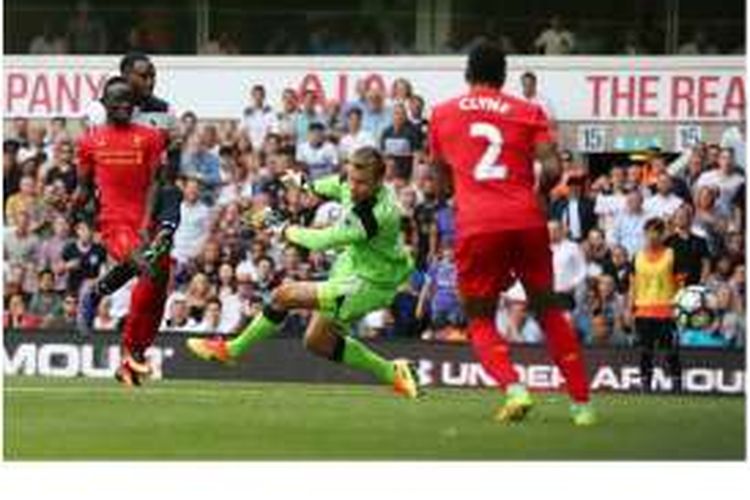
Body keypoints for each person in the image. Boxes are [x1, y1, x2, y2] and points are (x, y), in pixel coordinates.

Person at [428, 41, 594, 425]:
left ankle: (514, 387)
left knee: (480, 317)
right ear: (503, 77)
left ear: (468, 74)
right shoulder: (528, 110)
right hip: (525, 219)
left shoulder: (442, 114)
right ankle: (582, 406)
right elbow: (553, 168)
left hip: (477, 224)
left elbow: (439, 179)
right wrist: (535, 194)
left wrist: (461, 195)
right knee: (548, 308)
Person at [186, 147, 420, 399]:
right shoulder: (349, 183)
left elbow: (320, 241)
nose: (353, 187)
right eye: (351, 178)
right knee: (317, 341)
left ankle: (231, 350)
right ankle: (393, 372)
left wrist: (277, 224)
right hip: (355, 268)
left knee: (284, 295)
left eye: (361, 183)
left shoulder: (373, 215)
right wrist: (299, 182)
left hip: (368, 284)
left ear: (378, 181)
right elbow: (324, 186)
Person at [74, 76, 175, 387]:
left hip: (145, 220)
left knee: (158, 280)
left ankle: (133, 354)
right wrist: (71, 207)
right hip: (113, 221)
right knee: (143, 265)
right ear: (104, 104)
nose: (124, 105)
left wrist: (147, 224)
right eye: (117, 100)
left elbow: (157, 183)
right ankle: (96, 293)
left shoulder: (150, 137)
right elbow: (84, 189)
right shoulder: (90, 141)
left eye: (129, 100)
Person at [630, 218, 680, 393]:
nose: (652, 236)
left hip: (667, 309)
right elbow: (633, 283)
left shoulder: (671, 254)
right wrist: (630, 307)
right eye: (648, 232)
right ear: (644, 234)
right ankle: (645, 384)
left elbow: (680, 282)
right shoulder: (637, 256)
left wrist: (678, 306)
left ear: (662, 234)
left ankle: (676, 383)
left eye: (656, 232)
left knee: (670, 351)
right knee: (645, 351)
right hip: (643, 310)